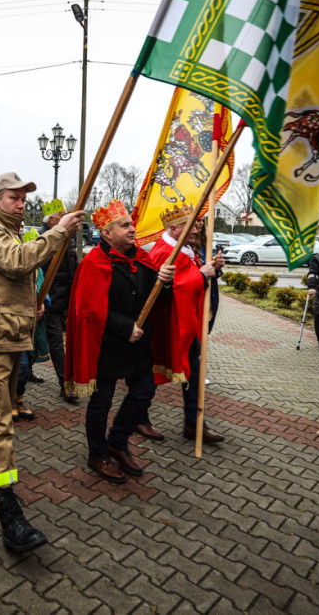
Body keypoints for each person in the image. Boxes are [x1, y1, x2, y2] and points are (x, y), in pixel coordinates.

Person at [0, 171, 85, 553]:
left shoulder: (10, 231)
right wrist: (59, 231)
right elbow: (17, 263)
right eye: (14, 197)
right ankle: (10, 517)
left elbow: (15, 279)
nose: (21, 203)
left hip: (9, 339)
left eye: (23, 198)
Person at [65, 201, 175, 484]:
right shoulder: (93, 263)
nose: (132, 229)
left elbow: (155, 297)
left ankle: (117, 440)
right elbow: (88, 308)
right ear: (106, 233)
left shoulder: (142, 258)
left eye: (131, 224)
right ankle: (98, 453)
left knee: (144, 391)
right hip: (107, 346)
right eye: (124, 225)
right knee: (101, 402)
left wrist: (164, 281)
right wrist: (125, 327)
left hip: (140, 345)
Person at [139, 207, 226, 444]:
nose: (197, 229)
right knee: (151, 374)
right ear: (173, 228)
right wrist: (201, 274)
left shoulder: (185, 250)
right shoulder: (163, 250)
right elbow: (171, 287)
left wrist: (213, 270)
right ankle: (139, 417)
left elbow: (196, 277)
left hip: (186, 326)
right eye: (191, 225)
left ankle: (194, 423)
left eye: (197, 225)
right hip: (165, 327)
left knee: (194, 374)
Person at [39, 200, 78, 402]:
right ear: (52, 219)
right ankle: (65, 384)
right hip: (50, 299)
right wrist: (44, 297)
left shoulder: (68, 237)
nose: (67, 218)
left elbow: (73, 263)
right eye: (63, 215)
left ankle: (25, 372)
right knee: (55, 342)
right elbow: (39, 272)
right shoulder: (41, 238)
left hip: (67, 296)